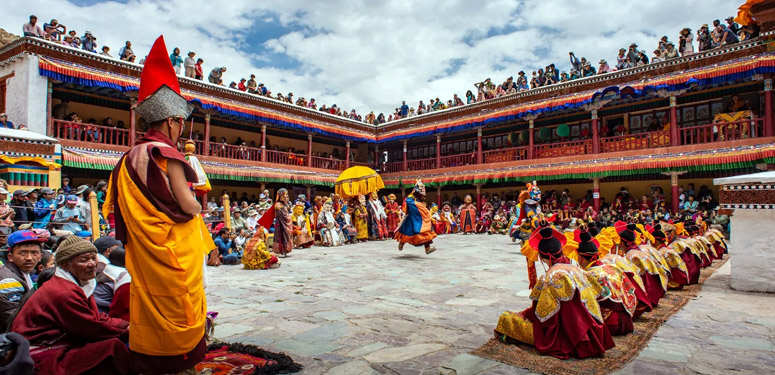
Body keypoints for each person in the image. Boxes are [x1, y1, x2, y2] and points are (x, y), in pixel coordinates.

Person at [101, 36, 211, 373]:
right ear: (172, 121)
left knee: (149, 304)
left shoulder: (126, 159)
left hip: (145, 252)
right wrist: (198, 204)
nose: (182, 129)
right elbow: (189, 206)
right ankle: (180, 361)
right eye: (181, 123)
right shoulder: (166, 154)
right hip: (174, 251)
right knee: (179, 306)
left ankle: (151, 359)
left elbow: (112, 208)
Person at [11, 236, 132, 374]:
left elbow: (94, 317)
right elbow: (90, 327)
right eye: (84, 260)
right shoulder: (63, 291)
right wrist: (127, 330)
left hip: (57, 343)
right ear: (66, 265)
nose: (92, 264)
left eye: (93, 258)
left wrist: (123, 325)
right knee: (113, 347)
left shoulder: (79, 284)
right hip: (44, 351)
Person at [495, 226, 614, 359]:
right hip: (593, 332)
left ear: (541, 256)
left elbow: (542, 316)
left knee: (506, 318)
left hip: (563, 335)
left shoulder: (549, 276)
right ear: (561, 251)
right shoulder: (577, 269)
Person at [0, 230, 45, 332]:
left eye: (34, 253)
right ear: (10, 257)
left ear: (40, 256)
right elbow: (13, 320)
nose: (29, 258)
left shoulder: (25, 273)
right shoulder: (9, 281)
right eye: (22, 253)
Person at [395, 181, 437, 254]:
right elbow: (409, 203)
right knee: (407, 233)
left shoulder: (420, 198)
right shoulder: (411, 198)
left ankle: (427, 248)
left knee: (425, 231)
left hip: (420, 219)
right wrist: (418, 206)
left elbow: (422, 208)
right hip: (411, 220)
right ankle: (401, 243)